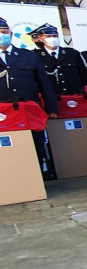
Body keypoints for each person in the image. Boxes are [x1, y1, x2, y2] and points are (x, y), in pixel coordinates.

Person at [0, 16, 59, 170]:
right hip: (3, 114)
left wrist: (51, 108)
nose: (2, 35)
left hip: (29, 111)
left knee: (36, 146)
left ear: (11, 34)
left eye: (4, 32)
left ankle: (38, 177)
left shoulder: (29, 56)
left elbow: (44, 83)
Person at [34, 23, 87, 96]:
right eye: (48, 36)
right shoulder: (35, 56)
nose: (52, 38)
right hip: (51, 97)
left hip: (74, 96)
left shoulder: (72, 53)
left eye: (55, 36)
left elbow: (84, 75)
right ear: (40, 38)